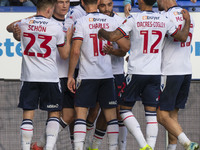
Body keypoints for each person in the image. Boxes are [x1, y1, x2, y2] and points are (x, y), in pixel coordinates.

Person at [98, 0, 191, 149]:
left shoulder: (134, 19)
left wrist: (101, 32)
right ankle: (151, 147)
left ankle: (143, 145)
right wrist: (188, 21)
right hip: (155, 73)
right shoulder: (163, 19)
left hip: (136, 72)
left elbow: (113, 36)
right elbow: (182, 37)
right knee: (151, 114)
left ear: (141, 1)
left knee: (124, 109)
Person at [7, 0, 71, 149]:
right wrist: (68, 37)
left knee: (28, 115)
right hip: (50, 77)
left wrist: (19, 28)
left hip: (29, 77)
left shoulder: (24, 23)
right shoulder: (55, 27)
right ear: (50, 9)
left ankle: (25, 147)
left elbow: (9, 27)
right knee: (54, 113)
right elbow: (64, 55)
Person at [67, 0, 130, 149]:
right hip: (107, 76)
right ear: (97, 3)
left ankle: (78, 147)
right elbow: (126, 46)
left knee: (81, 115)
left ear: (82, 2)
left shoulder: (81, 21)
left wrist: (70, 75)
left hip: (87, 75)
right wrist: (113, 49)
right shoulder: (111, 21)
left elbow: (75, 51)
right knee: (112, 117)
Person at [156, 0, 199, 150]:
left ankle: (188, 143)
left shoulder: (165, 17)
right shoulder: (188, 16)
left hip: (170, 71)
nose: (156, 3)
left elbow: (157, 44)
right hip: (186, 70)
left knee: (161, 116)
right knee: (172, 116)